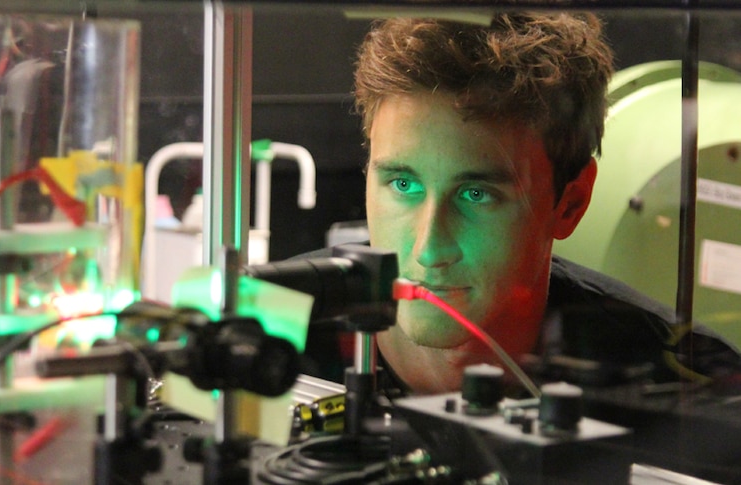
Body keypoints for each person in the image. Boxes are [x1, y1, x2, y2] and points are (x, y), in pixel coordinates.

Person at [299, 12, 741, 397]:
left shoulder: (683, 382)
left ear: (571, 203)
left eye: (476, 195)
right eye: (402, 183)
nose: (428, 250)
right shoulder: (272, 330)